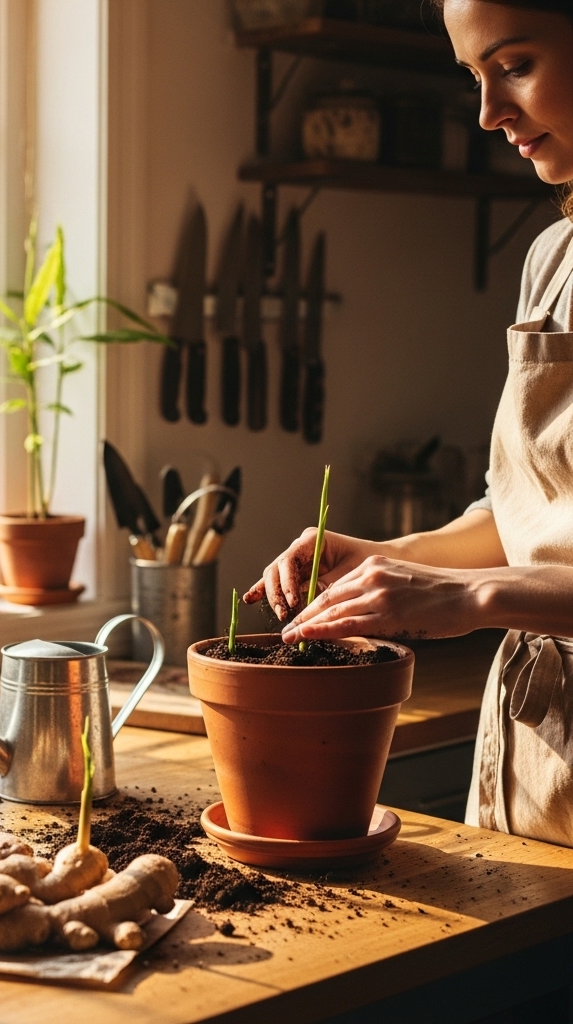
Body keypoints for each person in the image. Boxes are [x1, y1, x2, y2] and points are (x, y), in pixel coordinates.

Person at [243, 0, 573, 846]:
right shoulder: (552, 256)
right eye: (475, 77)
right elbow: (532, 520)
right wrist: (391, 558)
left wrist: (467, 595)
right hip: (540, 764)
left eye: (516, 66)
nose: (490, 113)